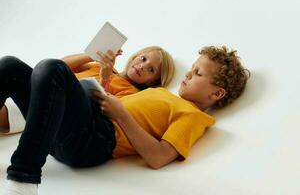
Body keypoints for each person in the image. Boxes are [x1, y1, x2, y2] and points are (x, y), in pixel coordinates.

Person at [1, 45, 250, 195]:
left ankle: (23, 178)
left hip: (94, 140)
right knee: (10, 66)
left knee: (52, 68)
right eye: (192, 68)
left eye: (198, 74)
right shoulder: (159, 94)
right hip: (74, 126)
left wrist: (120, 113)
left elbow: (159, 157)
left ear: (216, 94)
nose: (188, 74)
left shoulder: (194, 116)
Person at [0, 46, 175, 135]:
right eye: (143, 59)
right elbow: (54, 67)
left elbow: (103, 112)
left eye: (151, 70)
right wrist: (92, 55)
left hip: (57, 111)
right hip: (39, 88)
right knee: (9, 66)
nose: (142, 66)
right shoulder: (99, 65)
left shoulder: (133, 94)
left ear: (153, 82)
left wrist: (105, 78)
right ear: (136, 56)